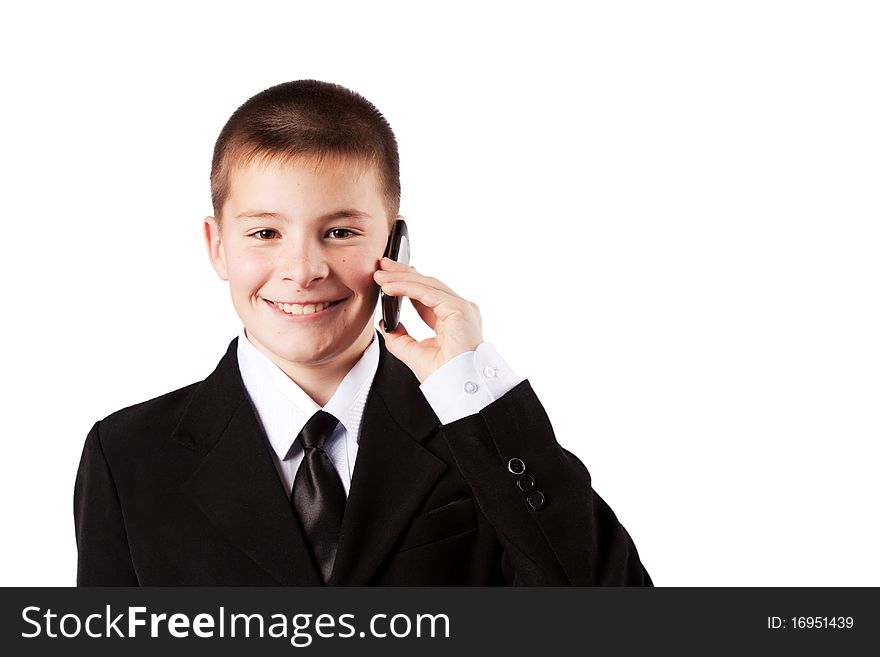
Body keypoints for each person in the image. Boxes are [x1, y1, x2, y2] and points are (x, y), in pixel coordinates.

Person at [74, 79, 652, 586]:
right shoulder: (127, 455)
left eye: (342, 232)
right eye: (265, 234)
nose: (303, 270)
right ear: (217, 246)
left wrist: (474, 386)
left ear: (395, 246)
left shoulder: (478, 434)